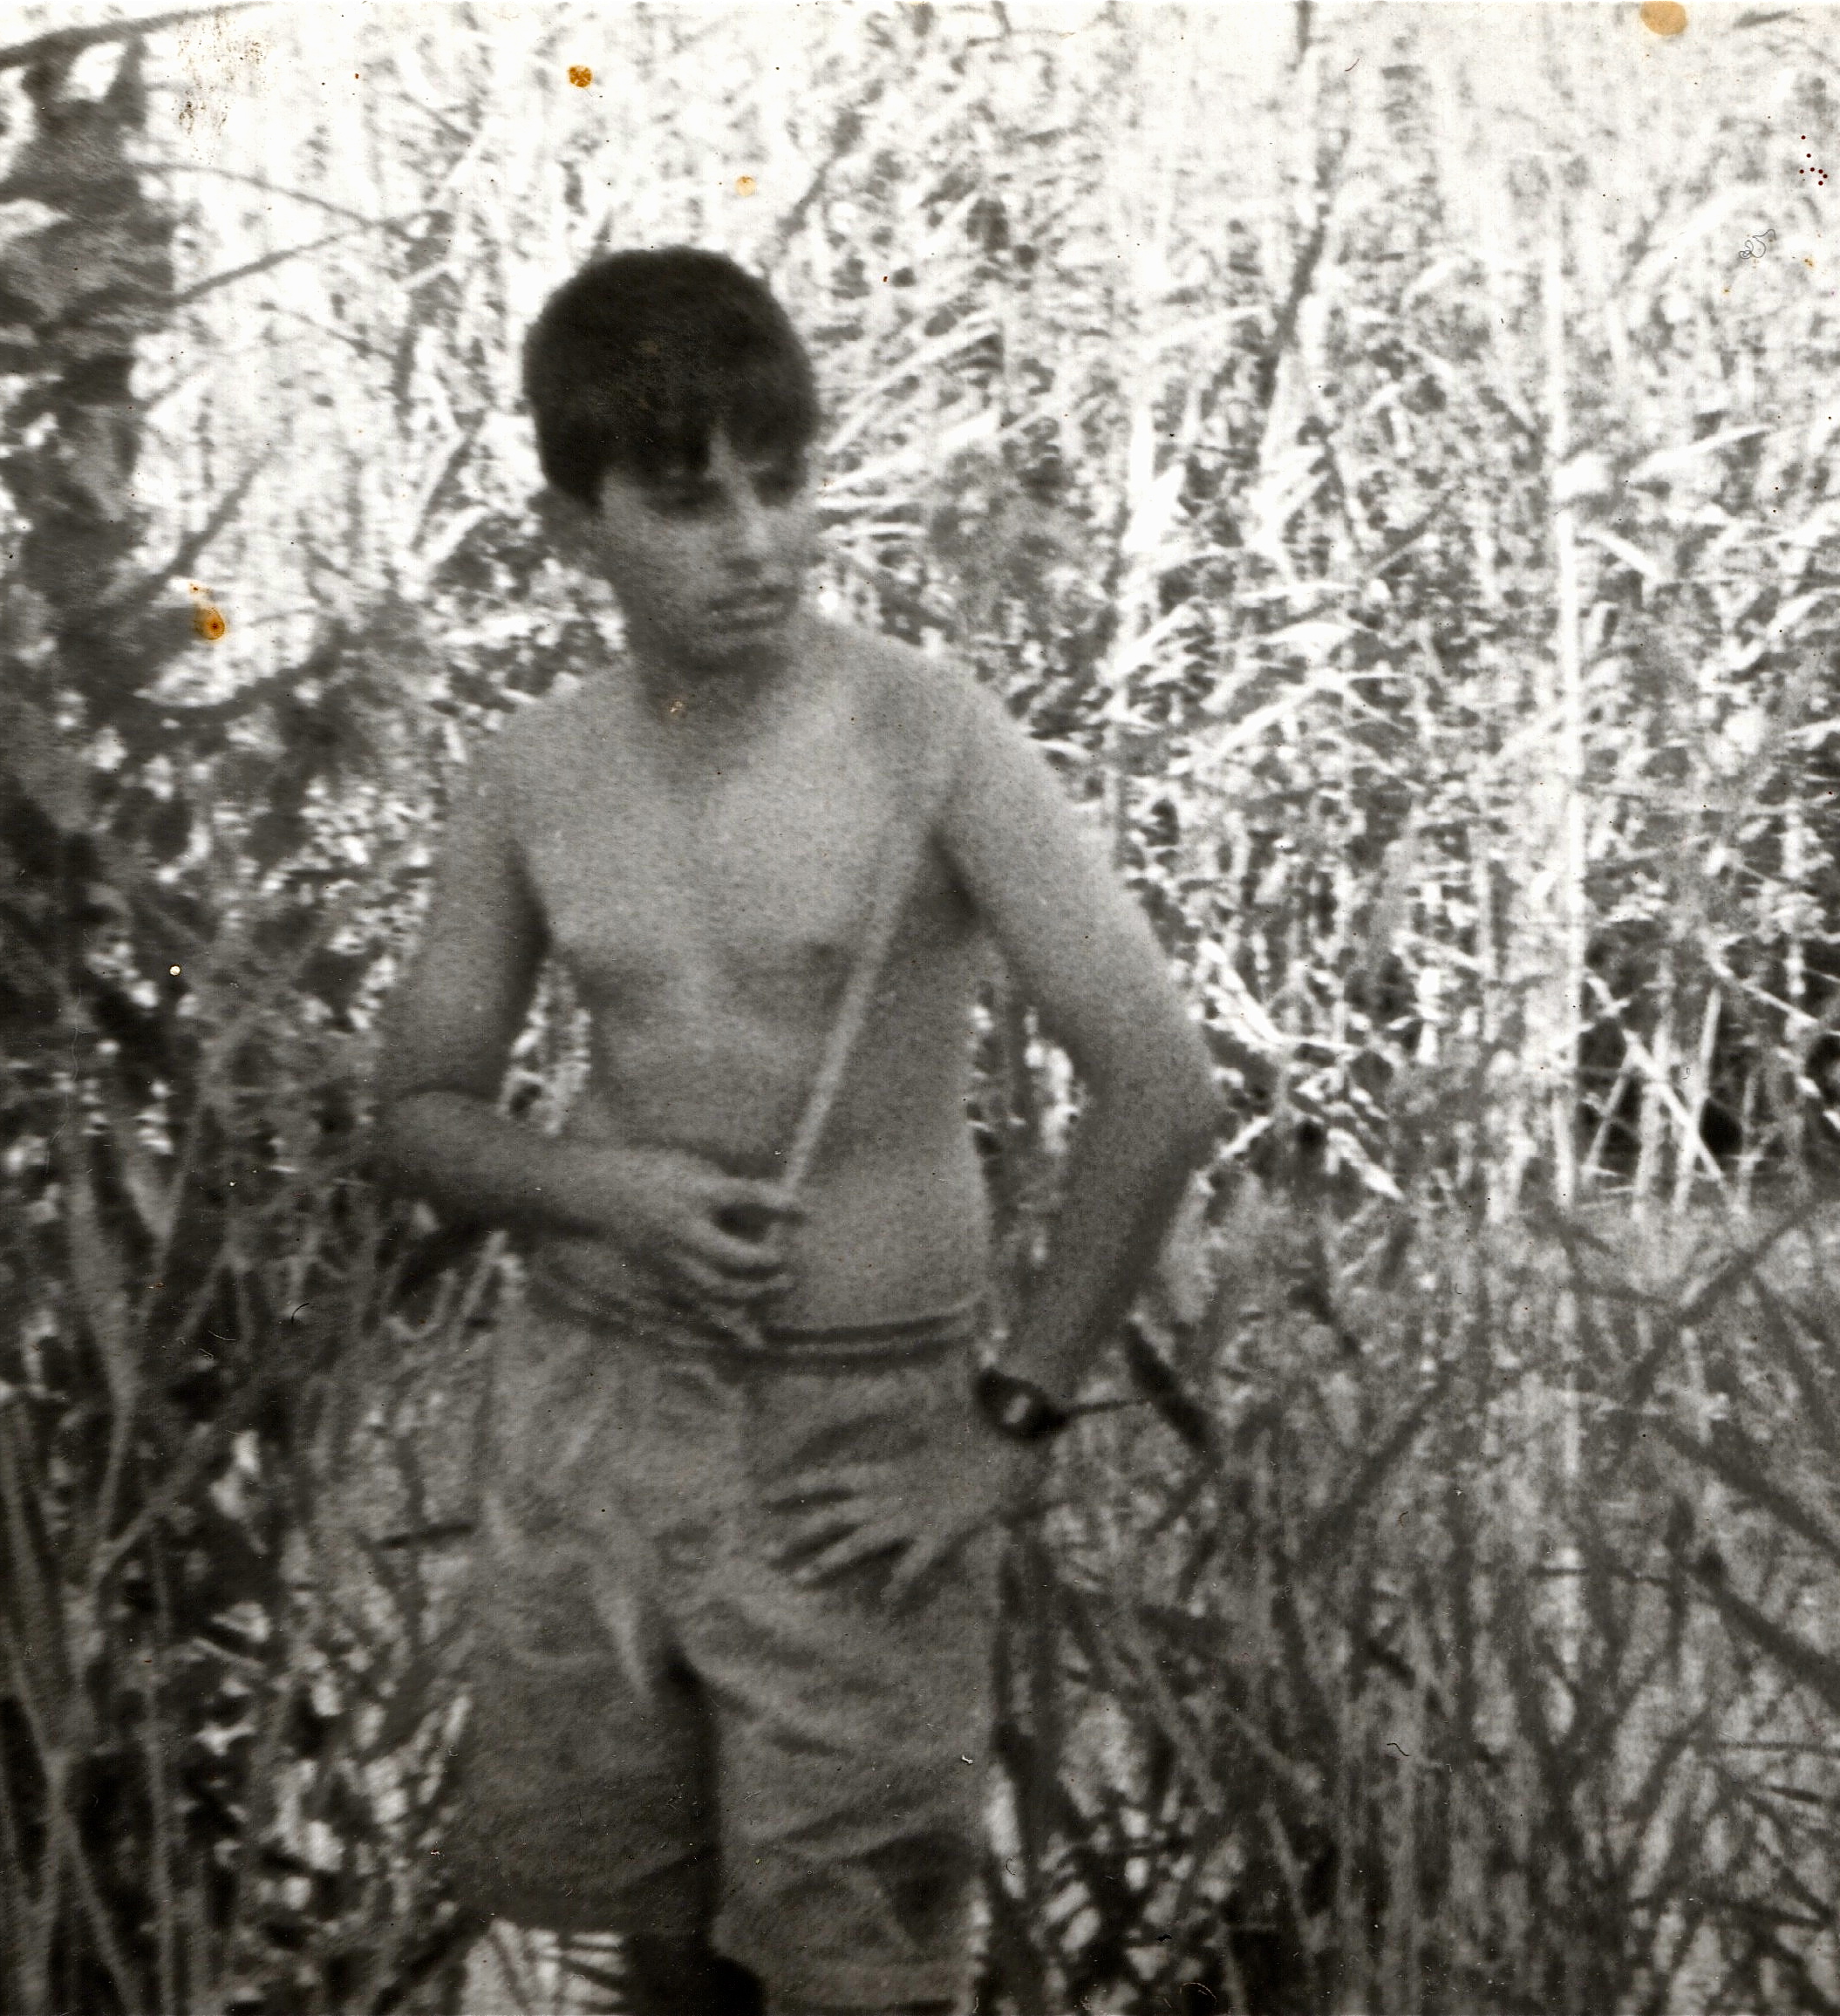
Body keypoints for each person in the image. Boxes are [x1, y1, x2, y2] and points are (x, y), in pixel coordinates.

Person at [373, 249, 1225, 2016]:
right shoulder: (532, 770)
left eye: (788, 481)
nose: (757, 541)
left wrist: (1007, 1432)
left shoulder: (930, 737)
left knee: (862, 1969)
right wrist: (598, 1188)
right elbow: (420, 1113)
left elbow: (1159, 1084)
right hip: (598, 1415)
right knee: (637, 1949)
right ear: (571, 527)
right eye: (686, 501)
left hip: (864, 1441)